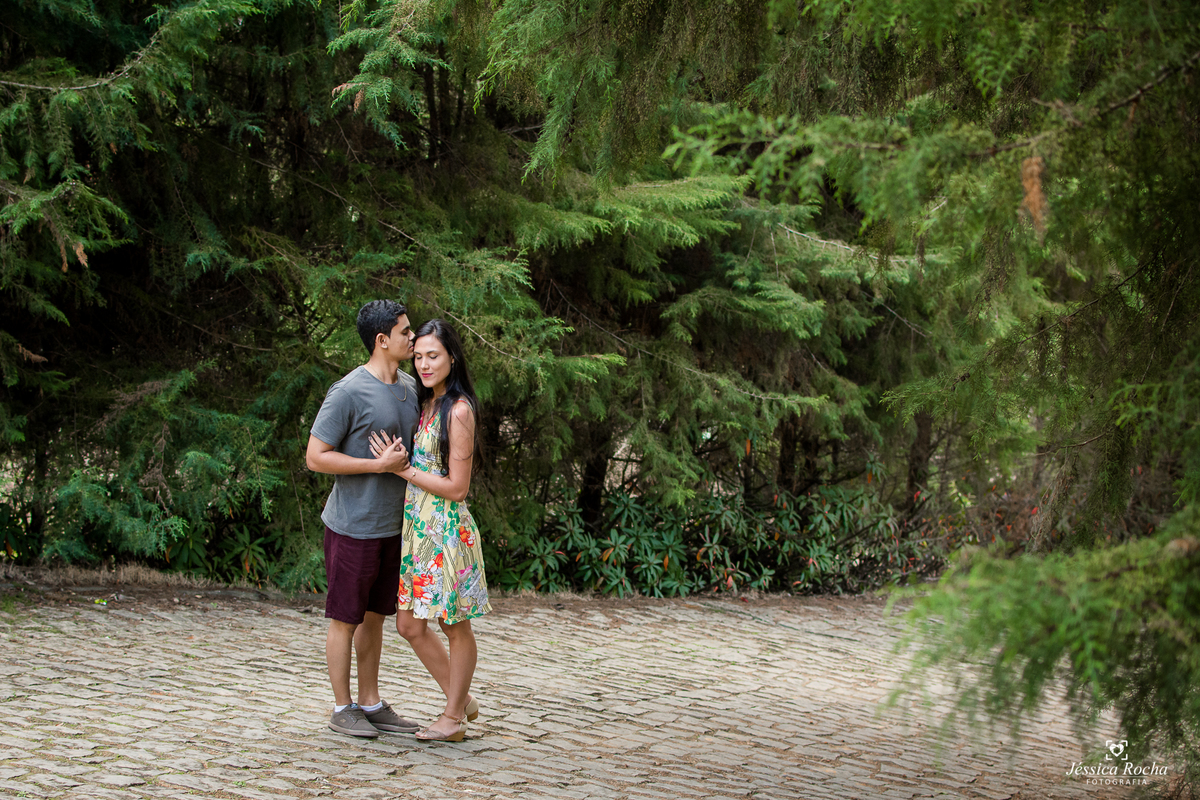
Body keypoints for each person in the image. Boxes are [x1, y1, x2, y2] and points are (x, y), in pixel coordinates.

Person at [369, 318, 492, 742]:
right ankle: (463, 700)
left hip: (445, 531)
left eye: (433, 356)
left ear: (452, 358)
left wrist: (403, 470)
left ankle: (453, 718)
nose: (423, 363)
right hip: (418, 531)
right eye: (418, 355)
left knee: (455, 626)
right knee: (409, 625)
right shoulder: (427, 406)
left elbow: (457, 489)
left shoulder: (458, 410)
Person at [305, 299, 422, 738]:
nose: (412, 338)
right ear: (382, 340)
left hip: (394, 527)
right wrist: (376, 466)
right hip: (352, 526)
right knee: (345, 618)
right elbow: (316, 457)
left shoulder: (411, 388)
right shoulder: (348, 390)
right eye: (405, 332)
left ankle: (370, 703)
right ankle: (342, 708)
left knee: (374, 617)